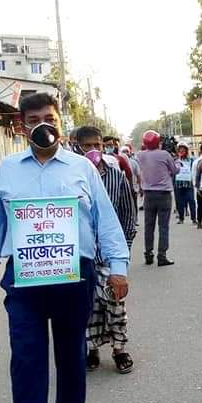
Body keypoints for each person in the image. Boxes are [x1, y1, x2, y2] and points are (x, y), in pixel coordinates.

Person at [0, 93, 130, 403]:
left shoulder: (82, 168)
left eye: (49, 117)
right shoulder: (9, 168)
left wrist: (118, 267)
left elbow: (105, 220)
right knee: (26, 357)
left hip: (74, 275)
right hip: (25, 277)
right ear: (22, 125)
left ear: (60, 123)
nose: (42, 124)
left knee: (71, 351)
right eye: (33, 119)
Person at [75, 126, 138, 375]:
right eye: (87, 146)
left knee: (115, 302)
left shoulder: (115, 174)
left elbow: (127, 211)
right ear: (76, 146)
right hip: (83, 254)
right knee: (88, 304)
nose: (93, 150)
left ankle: (119, 349)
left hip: (110, 253)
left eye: (97, 145)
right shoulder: (71, 174)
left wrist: (123, 252)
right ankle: (92, 349)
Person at [137, 129, 177, 266]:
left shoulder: (140, 155)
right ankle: (162, 255)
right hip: (163, 194)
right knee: (163, 226)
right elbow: (174, 170)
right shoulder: (165, 154)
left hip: (148, 194)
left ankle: (148, 253)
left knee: (149, 226)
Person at [173, 141, 197, 225]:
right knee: (179, 202)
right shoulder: (175, 160)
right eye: (180, 149)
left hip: (188, 184)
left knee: (191, 201)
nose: (181, 151)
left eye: (183, 149)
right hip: (178, 184)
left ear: (186, 151)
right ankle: (181, 218)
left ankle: (194, 219)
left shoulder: (191, 160)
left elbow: (194, 170)